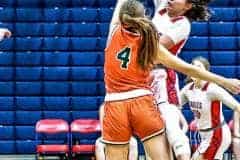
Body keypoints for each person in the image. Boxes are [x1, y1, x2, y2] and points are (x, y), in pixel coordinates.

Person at [103, 0, 240, 160]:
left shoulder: (114, 32)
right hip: (142, 96)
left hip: (125, 97)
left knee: (171, 126)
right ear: (143, 19)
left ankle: (182, 150)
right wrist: (225, 81)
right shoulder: (150, 43)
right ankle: (181, 149)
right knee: (164, 138)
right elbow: (189, 69)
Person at [150, 0, 212, 159]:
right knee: (155, 132)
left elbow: (155, 48)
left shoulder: (182, 24)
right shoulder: (164, 7)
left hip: (162, 75)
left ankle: (184, 155)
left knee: (171, 127)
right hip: (144, 75)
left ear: (187, 6)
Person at [180, 57, 240, 160]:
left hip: (217, 134)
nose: (194, 69)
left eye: (198, 67)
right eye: (192, 66)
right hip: (204, 135)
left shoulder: (212, 89)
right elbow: (174, 105)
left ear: (206, 72)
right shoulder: (187, 89)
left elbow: (237, 106)